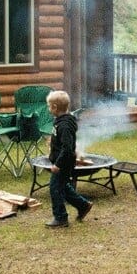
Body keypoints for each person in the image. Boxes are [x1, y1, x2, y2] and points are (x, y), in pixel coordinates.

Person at [45, 90, 93, 228]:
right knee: (63, 187)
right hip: (62, 162)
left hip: (63, 163)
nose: (49, 109)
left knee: (55, 189)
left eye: (49, 106)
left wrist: (58, 165)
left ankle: (60, 217)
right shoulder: (60, 121)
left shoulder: (65, 125)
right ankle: (83, 205)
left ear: (54, 107)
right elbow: (63, 142)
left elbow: (67, 148)